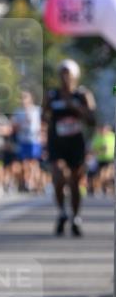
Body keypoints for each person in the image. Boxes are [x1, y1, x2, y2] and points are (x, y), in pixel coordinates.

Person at [43, 59, 96, 236]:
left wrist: (76, 107)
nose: (65, 77)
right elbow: (44, 116)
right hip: (57, 143)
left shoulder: (82, 94)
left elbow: (92, 119)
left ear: (75, 76)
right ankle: (61, 212)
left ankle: (75, 217)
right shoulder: (52, 95)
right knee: (58, 176)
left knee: (75, 182)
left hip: (76, 144)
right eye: (62, 73)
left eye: (68, 73)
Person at [12, 90, 43, 193]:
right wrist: (20, 124)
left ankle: (36, 183)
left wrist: (42, 135)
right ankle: (28, 182)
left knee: (34, 162)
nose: (23, 100)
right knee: (25, 163)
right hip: (23, 140)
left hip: (34, 140)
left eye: (25, 98)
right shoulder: (18, 112)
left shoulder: (37, 110)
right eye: (22, 98)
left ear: (31, 99)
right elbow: (14, 126)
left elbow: (43, 124)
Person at [90, 123, 115, 195]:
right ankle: (105, 188)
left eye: (105, 129)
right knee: (102, 175)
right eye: (102, 129)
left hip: (110, 159)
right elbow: (93, 150)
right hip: (100, 160)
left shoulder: (112, 136)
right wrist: (101, 150)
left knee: (108, 174)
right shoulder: (97, 137)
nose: (104, 131)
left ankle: (109, 188)